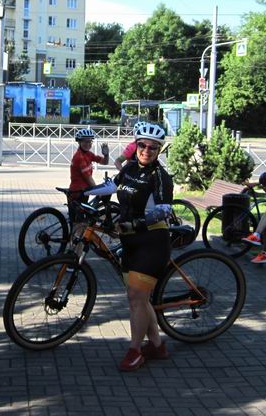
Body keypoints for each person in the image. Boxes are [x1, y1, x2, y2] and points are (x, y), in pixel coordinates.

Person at [113, 122, 173, 372]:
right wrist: (89, 198)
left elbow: (163, 211)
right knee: (140, 298)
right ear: (135, 145)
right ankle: (157, 346)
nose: (147, 150)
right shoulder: (128, 168)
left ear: (159, 150)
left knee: (136, 298)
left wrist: (133, 226)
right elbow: (113, 186)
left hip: (152, 241)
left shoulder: (160, 176)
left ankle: (135, 351)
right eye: (142, 145)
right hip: (130, 242)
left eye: (153, 147)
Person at [69, 128, 110, 206]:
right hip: (78, 192)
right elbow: (88, 178)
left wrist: (106, 154)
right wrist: (98, 191)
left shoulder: (88, 154)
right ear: (79, 142)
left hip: (85, 190)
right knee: (81, 216)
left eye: (90, 141)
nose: (88, 144)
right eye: (85, 141)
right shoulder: (79, 157)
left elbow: (104, 162)